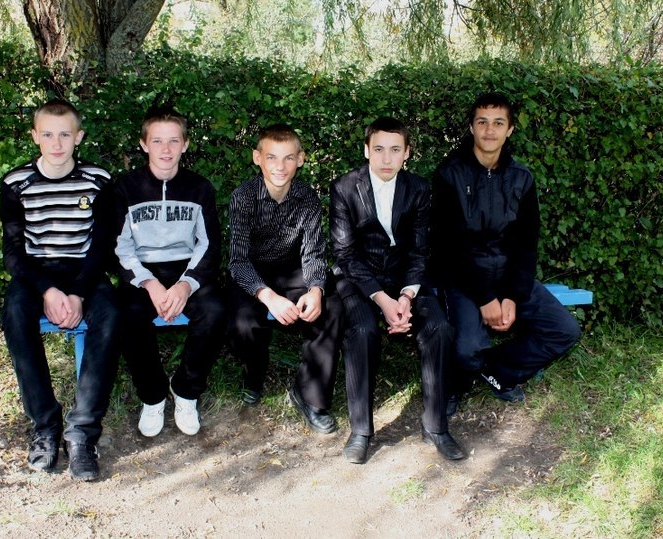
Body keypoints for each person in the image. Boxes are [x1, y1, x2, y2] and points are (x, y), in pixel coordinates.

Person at [430, 92, 582, 412]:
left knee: (564, 330)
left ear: (510, 129)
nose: (490, 130)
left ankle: (499, 371)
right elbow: (449, 247)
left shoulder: (521, 178)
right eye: (482, 122)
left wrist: (512, 295)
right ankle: (454, 385)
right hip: (464, 278)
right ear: (471, 127)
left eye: (498, 123)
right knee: (468, 348)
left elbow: (526, 244)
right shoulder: (449, 174)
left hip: (508, 274)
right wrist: (486, 298)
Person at [330, 117, 464, 464]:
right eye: (378, 149)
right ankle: (361, 431)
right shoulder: (344, 187)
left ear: (407, 153)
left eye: (395, 150)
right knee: (362, 330)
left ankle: (435, 426)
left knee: (439, 327)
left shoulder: (418, 188)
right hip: (359, 278)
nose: (386, 158)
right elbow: (344, 254)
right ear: (366, 151)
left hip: (406, 277)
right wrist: (382, 299)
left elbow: (420, 250)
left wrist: (405, 296)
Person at [1, 99, 121, 481]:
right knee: (15, 312)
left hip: (84, 270)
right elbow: (13, 253)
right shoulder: (16, 182)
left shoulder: (98, 179)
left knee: (111, 314)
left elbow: (102, 246)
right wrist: (48, 291)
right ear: (35, 136)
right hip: (36, 273)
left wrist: (79, 293)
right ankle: (45, 426)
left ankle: (82, 433)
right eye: (48, 135)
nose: (57, 143)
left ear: (78, 137)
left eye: (65, 135)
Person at [114, 105, 226, 439]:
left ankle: (186, 390)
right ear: (143, 144)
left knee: (216, 310)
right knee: (127, 314)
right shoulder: (125, 188)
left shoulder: (199, 188)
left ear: (185, 144)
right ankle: (153, 395)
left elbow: (210, 244)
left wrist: (185, 285)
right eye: (157, 141)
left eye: (174, 141)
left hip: (186, 267)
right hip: (142, 271)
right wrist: (149, 283)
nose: (166, 149)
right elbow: (118, 247)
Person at [228, 124, 342, 434]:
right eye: (272, 157)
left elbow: (313, 252)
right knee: (241, 322)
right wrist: (268, 296)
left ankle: (310, 395)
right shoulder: (244, 197)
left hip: (294, 269)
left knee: (331, 306)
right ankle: (254, 375)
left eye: (289, 158)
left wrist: (315, 289)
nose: (280, 166)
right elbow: (237, 260)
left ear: (300, 159)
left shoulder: (306, 197)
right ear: (257, 158)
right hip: (253, 272)